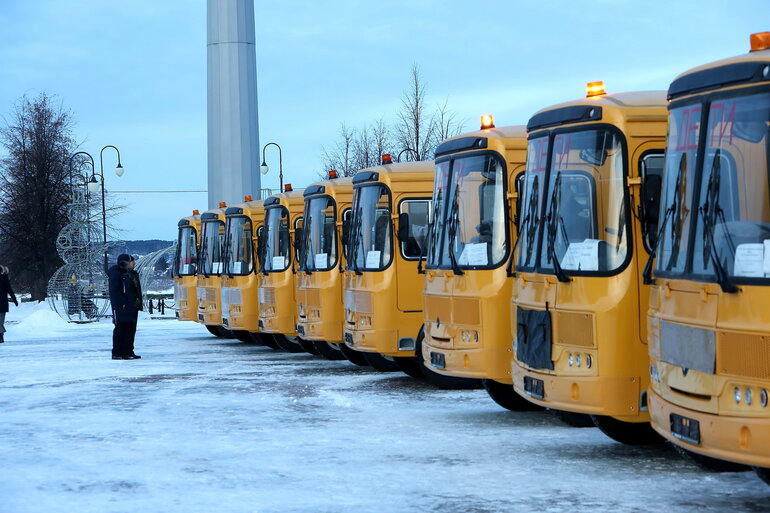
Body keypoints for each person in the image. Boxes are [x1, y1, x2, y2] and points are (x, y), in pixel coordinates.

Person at [108, 254, 143, 360]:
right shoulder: (117, 274)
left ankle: (128, 351)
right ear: (125, 262)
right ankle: (117, 352)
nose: (134, 263)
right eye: (132, 262)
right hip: (122, 306)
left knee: (131, 329)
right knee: (120, 328)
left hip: (132, 305)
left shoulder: (132, 274)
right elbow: (115, 291)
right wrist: (122, 302)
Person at [0, 265, 19, 343]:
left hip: (2, 303)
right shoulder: (4, 277)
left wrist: (14, 300)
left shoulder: (3, 278)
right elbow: (9, 289)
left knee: (0, 322)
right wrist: (14, 300)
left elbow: (9, 289)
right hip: (3, 303)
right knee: (0, 322)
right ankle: (1, 336)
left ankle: (1, 336)